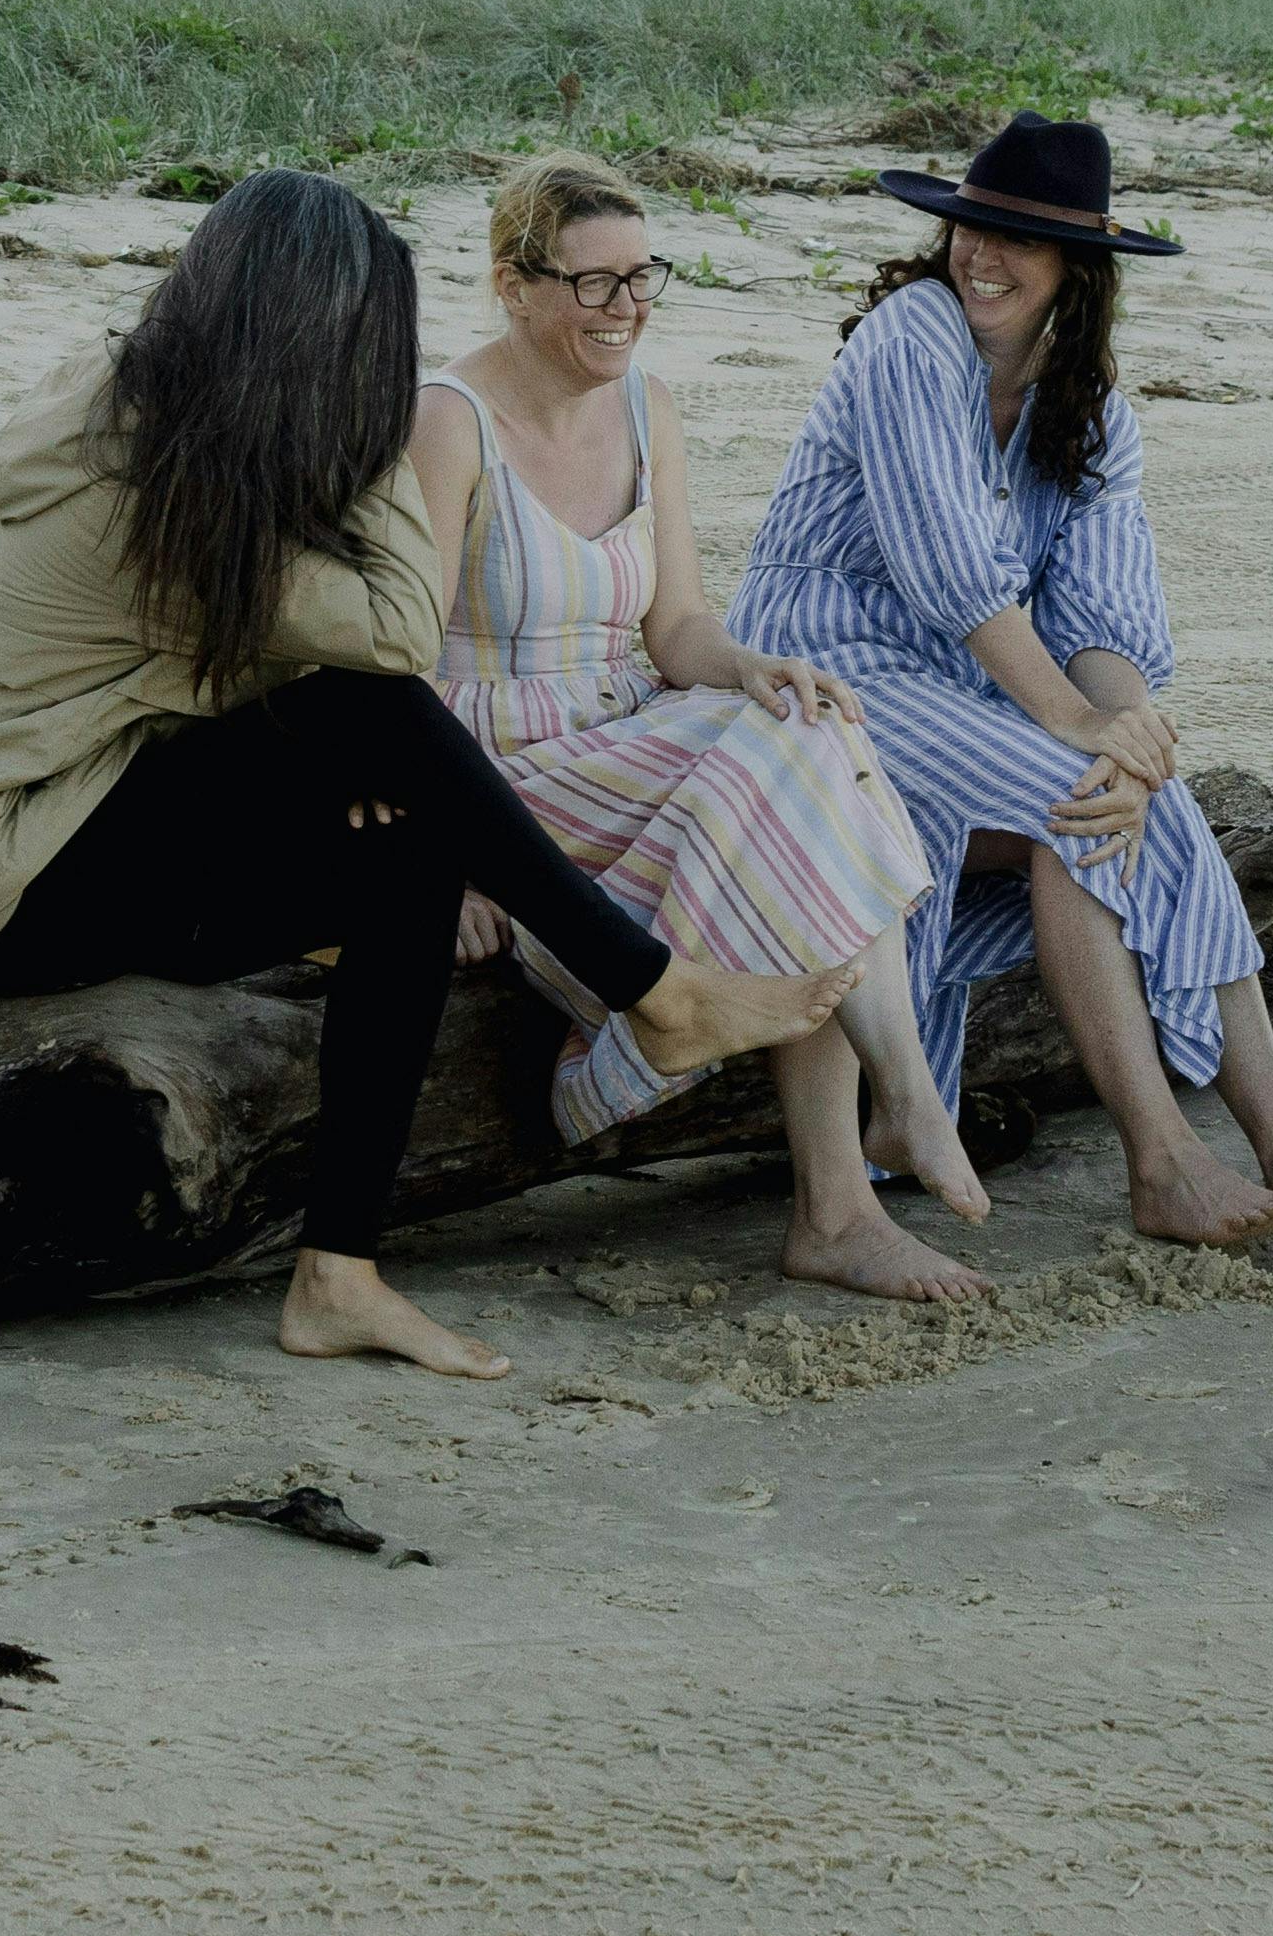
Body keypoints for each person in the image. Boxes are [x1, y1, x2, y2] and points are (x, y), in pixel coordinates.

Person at [0, 168, 854, 1380]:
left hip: (79, 797)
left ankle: (338, 1276)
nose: (372, 374)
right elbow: (393, 631)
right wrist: (390, 427)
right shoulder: (144, 504)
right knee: (378, 711)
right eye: (365, 349)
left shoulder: (156, 410)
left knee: (407, 850)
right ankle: (654, 989)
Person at [730, 113, 1273, 1255]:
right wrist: (1080, 727)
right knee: (1080, 790)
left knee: (1120, 801)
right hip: (826, 675)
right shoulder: (911, 337)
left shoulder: (1093, 410)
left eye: (1019, 239)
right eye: (972, 226)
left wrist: (1130, 731)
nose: (982, 255)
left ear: (1078, 267)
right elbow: (951, 576)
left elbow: (1102, 622)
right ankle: (1169, 1160)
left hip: (961, 698)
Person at [411, 153, 996, 1303]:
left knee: (806, 730)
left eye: (643, 276)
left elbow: (676, 624)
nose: (626, 306)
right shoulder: (447, 421)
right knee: (787, 785)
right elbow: (403, 670)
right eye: (594, 281)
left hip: (630, 732)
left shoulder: (648, 407)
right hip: (503, 774)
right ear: (514, 286)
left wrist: (752, 667)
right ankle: (870, 1157)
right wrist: (453, 859)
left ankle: (867, 1162)